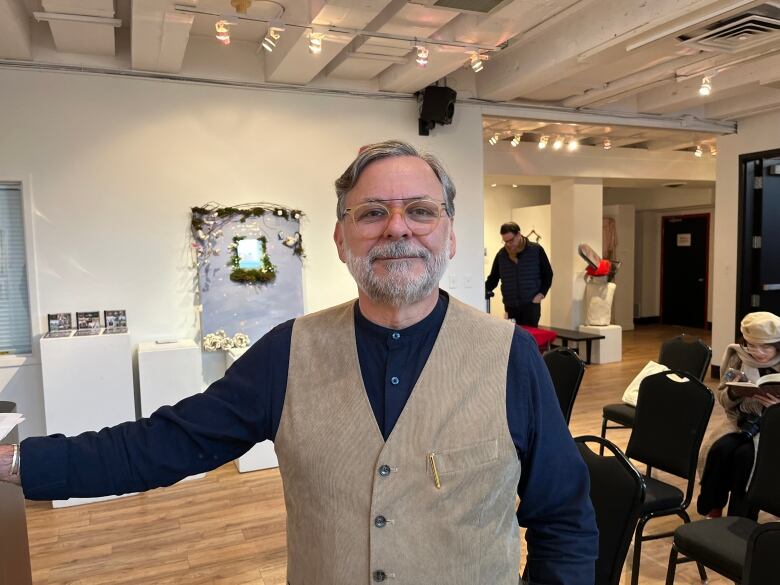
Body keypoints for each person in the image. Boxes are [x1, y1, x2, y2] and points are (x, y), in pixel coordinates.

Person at [0, 140, 596, 585]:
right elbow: (162, 444)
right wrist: (17, 460)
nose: (398, 229)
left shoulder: (510, 356)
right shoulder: (289, 352)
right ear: (340, 240)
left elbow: (564, 521)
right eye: (371, 213)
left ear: (450, 235)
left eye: (420, 210)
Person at [697, 311, 780, 518]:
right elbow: (724, 400)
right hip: (741, 422)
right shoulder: (737, 358)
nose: (758, 352)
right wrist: (734, 392)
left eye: (765, 347)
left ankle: (739, 520)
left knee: (746, 458)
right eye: (751, 345)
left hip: (772, 430)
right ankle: (712, 509)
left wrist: (776, 409)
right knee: (718, 449)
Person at [485, 221, 553, 327]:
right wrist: (481, 291)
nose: (508, 244)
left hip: (531, 305)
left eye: (510, 240)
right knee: (513, 338)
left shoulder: (536, 250)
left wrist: (540, 295)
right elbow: (493, 279)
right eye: (505, 241)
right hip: (510, 306)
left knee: (529, 338)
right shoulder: (501, 255)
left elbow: (548, 274)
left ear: (518, 234)